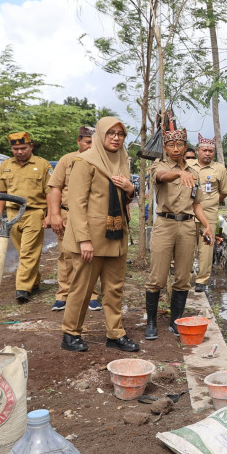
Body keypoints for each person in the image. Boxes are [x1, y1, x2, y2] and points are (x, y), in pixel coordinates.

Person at [61, 116, 139, 353]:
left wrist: (130, 189)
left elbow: (123, 196)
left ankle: (115, 333)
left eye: (121, 134)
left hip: (116, 234)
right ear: (101, 135)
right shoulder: (84, 161)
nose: (116, 138)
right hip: (91, 238)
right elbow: (76, 203)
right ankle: (70, 333)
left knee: (115, 288)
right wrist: (84, 240)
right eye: (111, 133)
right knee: (82, 288)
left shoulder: (123, 159)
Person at [145, 129, 212, 340]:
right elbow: (161, 177)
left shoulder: (195, 171)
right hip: (164, 224)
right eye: (171, 146)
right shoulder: (158, 165)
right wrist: (179, 173)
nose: (176, 149)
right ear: (165, 147)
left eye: (180, 145)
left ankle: (176, 321)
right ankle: (151, 323)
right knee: (157, 277)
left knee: (183, 278)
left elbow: (197, 203)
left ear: (185, 147)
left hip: (187, 226)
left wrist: (207, 225)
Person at [46, 126, 100, 312]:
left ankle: (91, 295)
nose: (91, 146)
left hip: (92, 216)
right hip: (68, 214)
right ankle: (63, 294)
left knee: (90, 256)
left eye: (94, 143)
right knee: (66, 255)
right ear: (78, 141)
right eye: (87, 142)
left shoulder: (101, 161)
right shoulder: (67, 160)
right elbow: (55, 188)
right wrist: (55, 215)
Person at [0, 131, 51, 303]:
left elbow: (50, 191)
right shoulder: (5, 165)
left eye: (23, 148)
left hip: (34, 213)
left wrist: (49, 215)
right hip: (12, 214)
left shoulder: (43, 165)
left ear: (31, 146)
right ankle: (33, 283)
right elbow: (0, 193)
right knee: (24, 252)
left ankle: (22, 289)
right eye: (15, 148)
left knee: (28, 252)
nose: (19, 151)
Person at [191, 135, 227, 294]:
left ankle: (202, 280)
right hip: (189, 215)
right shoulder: (187, 165)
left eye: (210, 151)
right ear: (198, 150)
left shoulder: (220, 169)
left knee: (206, 250)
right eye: (204, 150)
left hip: (210, 216)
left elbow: (224, 193)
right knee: (187, 248)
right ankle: (185, 278)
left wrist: (211, 202)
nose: (207, 153)